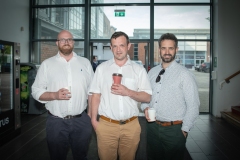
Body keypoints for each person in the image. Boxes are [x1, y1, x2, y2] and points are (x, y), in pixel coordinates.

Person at [31, 30, 94, 160]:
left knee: (81, 156)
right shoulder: (47, 64)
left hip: (81, 120)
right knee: (57, 156)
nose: (66, 42)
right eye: (63, 39)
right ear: (57, 42)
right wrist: (54, 95)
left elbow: (92, 91)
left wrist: (90, 116)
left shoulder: (85, 63)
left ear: (73, 42)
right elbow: (36, 91)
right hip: (56, 122)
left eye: (69, 39)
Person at [90, 31, 152, 160]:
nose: (118, 50)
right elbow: (95, 95)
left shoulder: (138, 70)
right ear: (111, 47)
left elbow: (147, 97)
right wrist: (94, 120)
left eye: (122, 45)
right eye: (115, 46)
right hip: (106, 126)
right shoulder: (102, 69)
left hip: (131, 126)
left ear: (128, 46)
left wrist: (128, 92)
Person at [141, 33, 200, 160]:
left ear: (176, 50)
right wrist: (145, 107)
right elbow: (146, 96)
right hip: (152, 128)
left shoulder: (185, 74)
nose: (167, 52)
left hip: (174, 130)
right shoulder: (152, 72)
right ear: (159, 50)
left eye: (171, 48)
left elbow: (193, 105)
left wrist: (184, 130)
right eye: (163, 48)